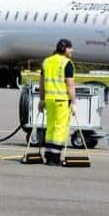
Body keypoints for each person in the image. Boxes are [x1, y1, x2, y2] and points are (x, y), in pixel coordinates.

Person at [38, 38, 76, 166]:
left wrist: (41, 99)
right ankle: (55, 157)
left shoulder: (46, 62)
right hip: (61, 101)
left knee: (51, 127)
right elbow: (70, 85)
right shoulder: (67, 63)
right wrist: (74, 102)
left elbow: (42, 83)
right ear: (65, 49)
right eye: (70, 48)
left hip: (49, 100)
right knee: (60, 128)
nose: (72, 50)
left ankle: (48, 155)